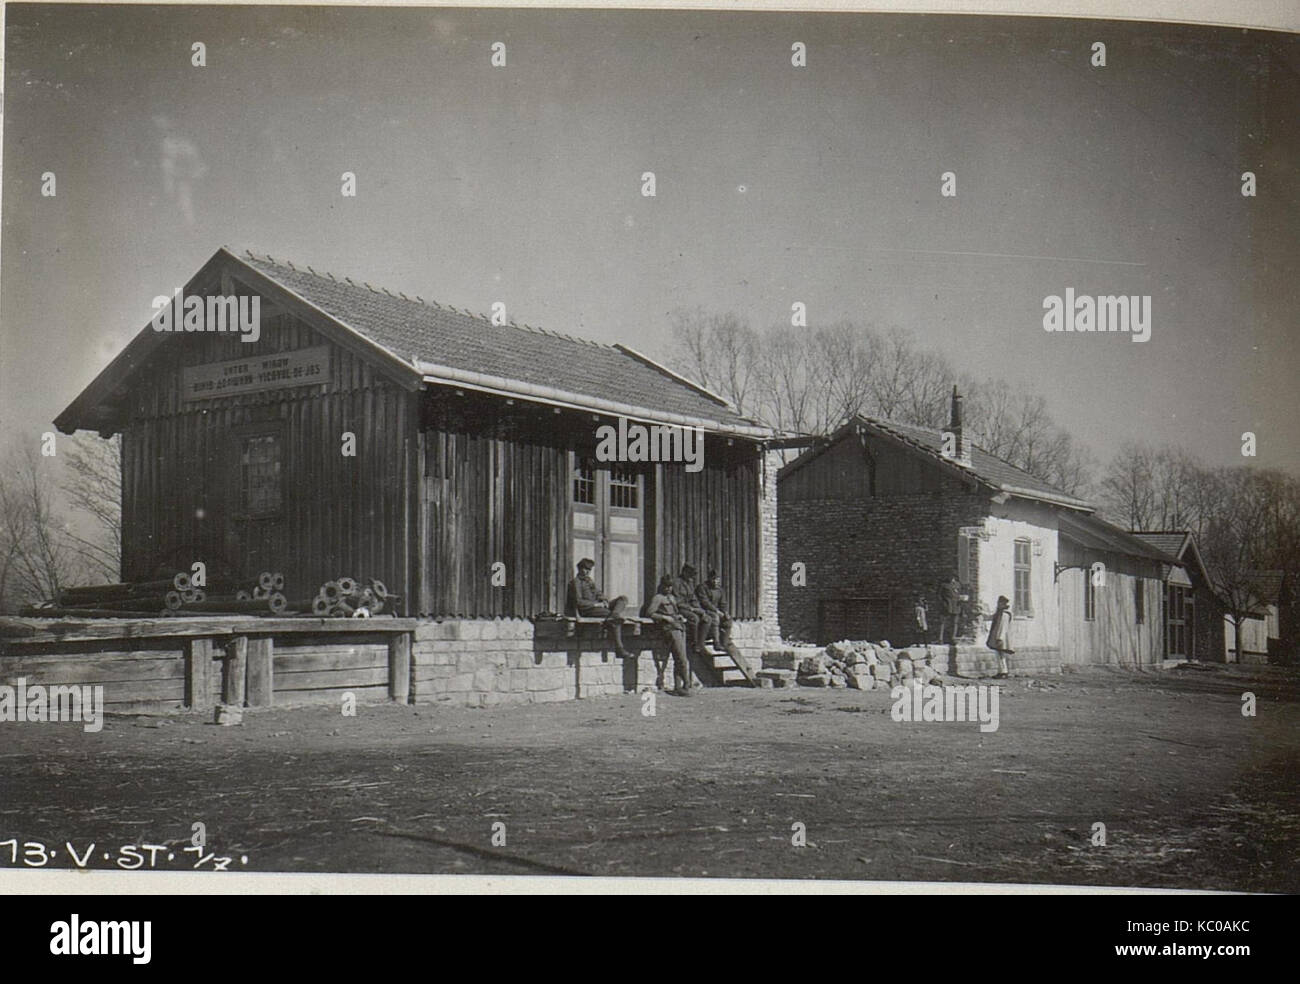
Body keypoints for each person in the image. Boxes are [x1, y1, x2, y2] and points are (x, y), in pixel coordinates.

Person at [566, 558, 631, 658]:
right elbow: (579, 602)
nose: (587, 572)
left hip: (599, 607)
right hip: (588, 610)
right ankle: (619, 648)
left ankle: (613, 615)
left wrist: (604, 600)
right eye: (585, 569)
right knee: (615, 619)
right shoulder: (576, 583)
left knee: (623, 599)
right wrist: (596, 604)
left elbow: (599, 593)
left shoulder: (589, 581)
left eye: (589, 570)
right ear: (579, 569)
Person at [644, 574, 693, 695]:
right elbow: (650, 613)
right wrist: (665, 617)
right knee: (681, 658)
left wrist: (679, 616)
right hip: (669, 629)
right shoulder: (658, 598)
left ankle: (678, 687)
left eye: (670, 586)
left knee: (679, 658)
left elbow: (675, 612)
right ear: (661, 586)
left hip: (679, 627)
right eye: (666, 586)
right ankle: (686, 684)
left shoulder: (671, 597)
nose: (668, 589)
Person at [672, 563, 716, 657]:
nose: (691, 577)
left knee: (707, 618)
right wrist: (693, 609)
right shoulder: (676, 583)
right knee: (694, 618)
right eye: (689, 574)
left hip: (691, 608)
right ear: (684, 572)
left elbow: (693, 599)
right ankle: (694, 643)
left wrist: (700, 610)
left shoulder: (689, 584)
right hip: (680, 609)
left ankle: (701, 644)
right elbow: (677, 601)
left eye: (692, 575)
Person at [695, 569, 733, 650]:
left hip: (716, 611)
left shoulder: (720, 590)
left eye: (717, 579)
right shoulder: (702, 587)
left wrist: (725, 612)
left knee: (728, 620)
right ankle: (716, 642)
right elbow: (705, 602)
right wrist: (716, 611)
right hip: (704, 610)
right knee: (715, 617)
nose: (716, 581)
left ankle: (724, 642)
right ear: (709, 578)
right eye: (714, 579)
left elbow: (723, 603)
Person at [986, 595, 1015, 678]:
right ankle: (1002, 671)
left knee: (1000, 654)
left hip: (1002, 638)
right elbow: (992, 617)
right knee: (1000, 654)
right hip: (1000, 637)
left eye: (999, 603)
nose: (998, 604)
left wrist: (1000, 638)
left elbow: (1003, 627)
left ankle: (1003, 672)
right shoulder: (1000, 613)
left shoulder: (1005, 614)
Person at [939, 576, 964, 645]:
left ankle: (953, 638)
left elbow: (960, 593)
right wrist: (944, 604)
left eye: (953, 578)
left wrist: (961, 598)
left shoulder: (958, 585)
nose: (952, 579)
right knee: (943, 622)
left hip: (956, 606)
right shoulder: (944, 585)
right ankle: (940, 639)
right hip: (947, 606)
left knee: (955, 623)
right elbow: (939, 596)